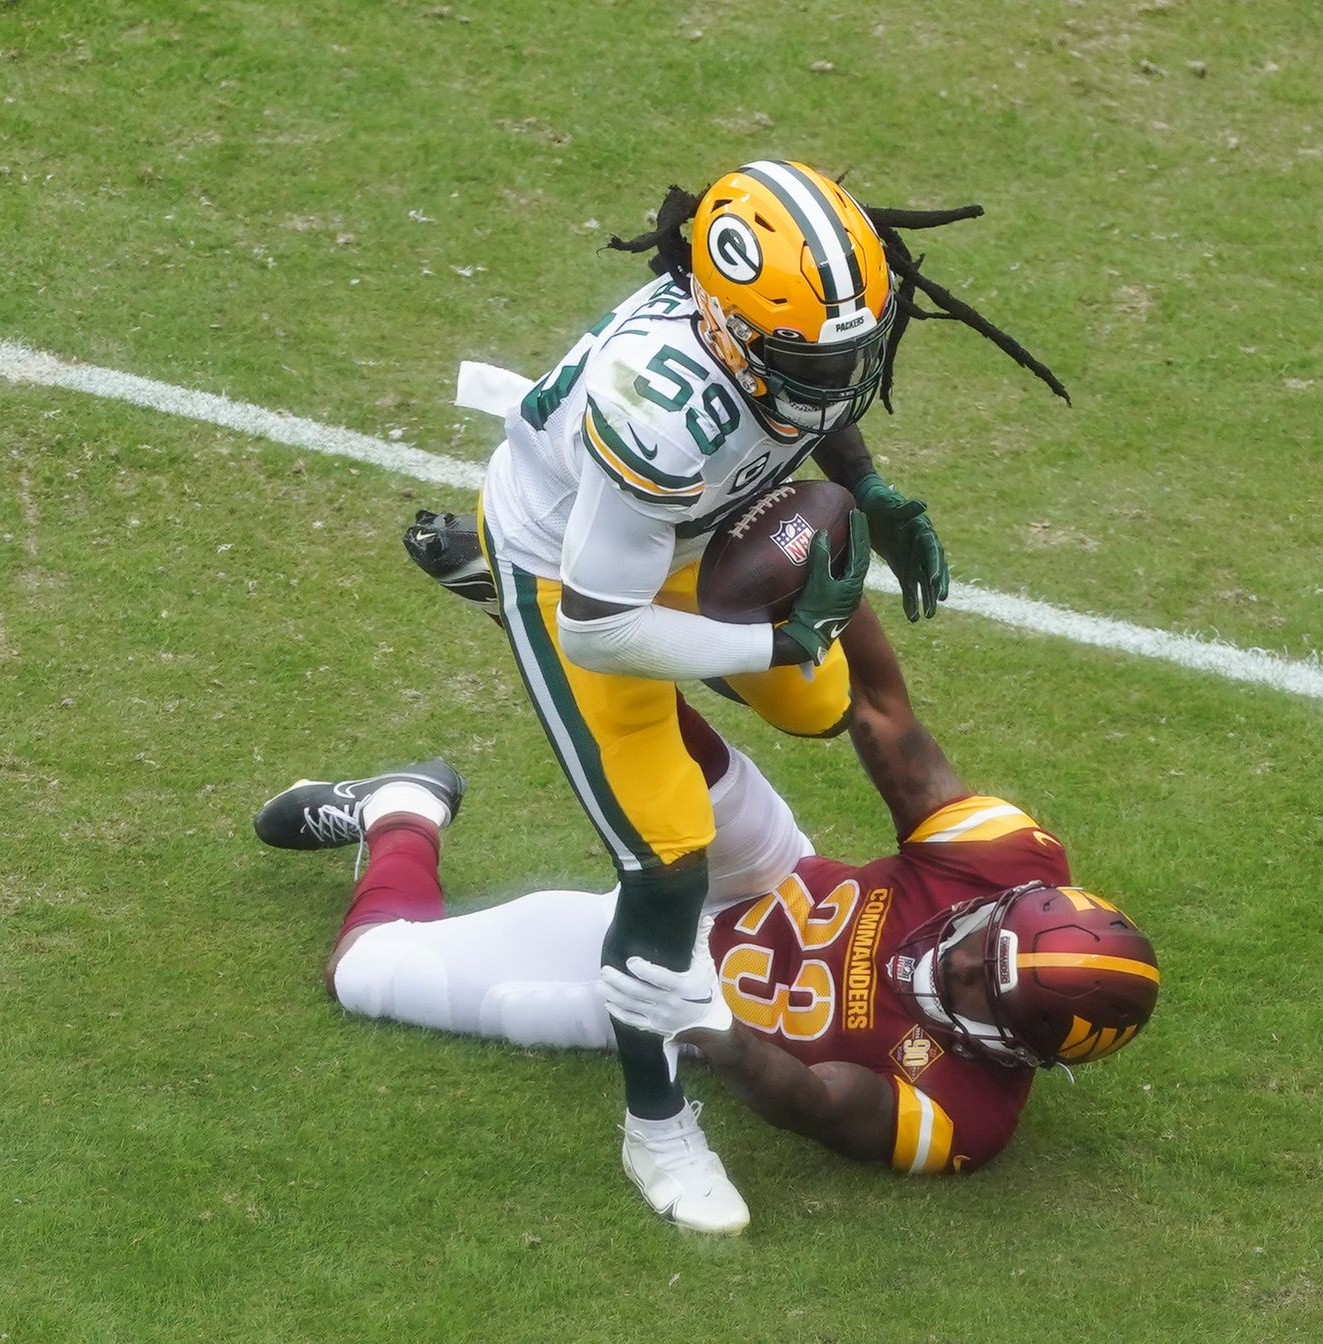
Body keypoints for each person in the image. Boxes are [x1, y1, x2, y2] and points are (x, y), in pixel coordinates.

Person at [402, 160, 1070, 1232]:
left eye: (854, 344)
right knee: (664, 855)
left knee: (816, 703)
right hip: (574, 571)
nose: (843, 369)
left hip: (694, 531)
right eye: (818, 354)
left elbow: (814, 408)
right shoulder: (656, 417)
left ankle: (686, 670)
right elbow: (603, 627)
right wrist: (770, 629)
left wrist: (868, 490)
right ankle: (655, 1127)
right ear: (723, 326)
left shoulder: (785, 333)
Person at [253, 604, 1157, 1234]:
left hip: (684, 989)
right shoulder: (1008, 862)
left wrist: (713, 1029)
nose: (947, 957)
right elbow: (882, 712)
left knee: (365, 973)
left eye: (970, 984)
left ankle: (400, 810)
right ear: (1009, 905)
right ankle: (529, 602)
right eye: (976, 939)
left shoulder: (970, 1114)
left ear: (1011, 1047)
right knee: (675, 754)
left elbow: (821, 1103)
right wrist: (837, 574)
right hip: (768, 875)